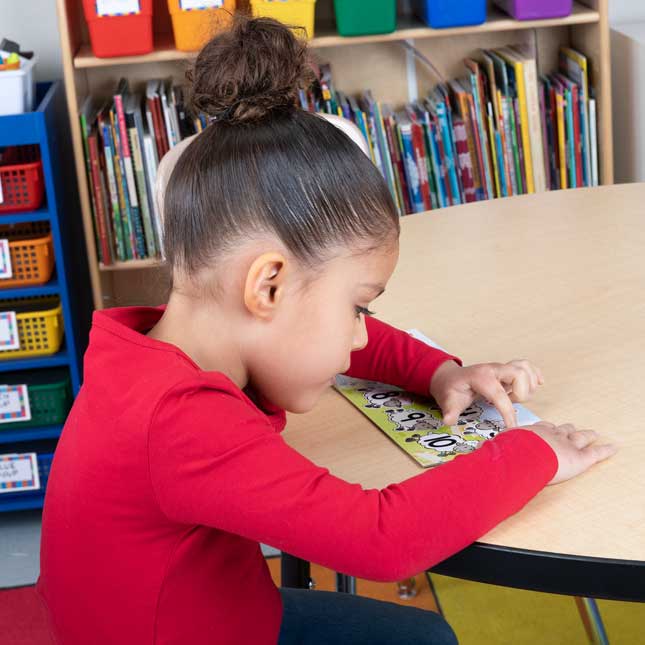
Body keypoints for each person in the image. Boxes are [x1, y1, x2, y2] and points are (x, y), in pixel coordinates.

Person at [37, 15, 616, 645]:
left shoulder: (159, 350)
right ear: (268, 286)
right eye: (359, 308)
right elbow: (381, 539)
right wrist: (535, 451)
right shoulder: (180, 421)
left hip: (223, 612)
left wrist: (439, 370)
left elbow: (324, 333)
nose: (361, 337)